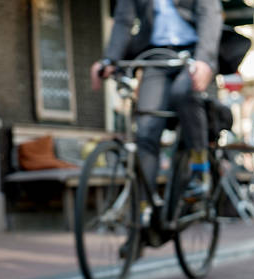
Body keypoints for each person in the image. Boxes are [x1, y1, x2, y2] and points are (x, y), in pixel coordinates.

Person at [91, 0, 223, 204]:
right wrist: (110, 60)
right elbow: (123, 21)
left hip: (193, 53)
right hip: (156, 56)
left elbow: (210, 13)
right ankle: (144, 208)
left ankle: (199, 168)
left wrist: (205, 59)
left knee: (183, 93)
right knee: (146, 129)